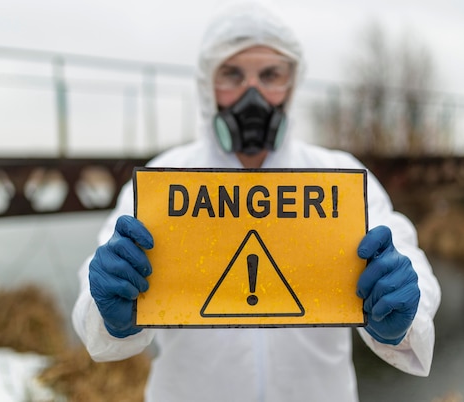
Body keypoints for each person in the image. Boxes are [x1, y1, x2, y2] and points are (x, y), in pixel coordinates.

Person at [72, 2, 441, 401]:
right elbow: (93, 299)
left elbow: (403, 255)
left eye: (271, 75)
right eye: (232, 74)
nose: (254, 94)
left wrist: (403, 314)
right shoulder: (166, 179)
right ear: (208, 85)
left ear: (291, 84)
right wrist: (108, 312)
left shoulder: (338, 178)